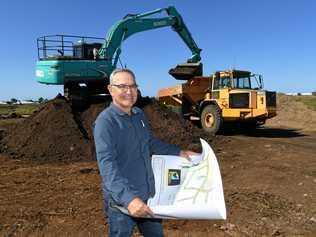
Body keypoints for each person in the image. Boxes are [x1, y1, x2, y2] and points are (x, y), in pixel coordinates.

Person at [93, 68, 198, 237]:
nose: (129, 91)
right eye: (122, 86)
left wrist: (179, 152)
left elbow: (149, 143)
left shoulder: (138, 114)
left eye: (133, 86)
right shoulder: (105, 123)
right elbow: (107, 168)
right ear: (111, 90)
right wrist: (129, 199)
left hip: (148, 197)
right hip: (123, 203)